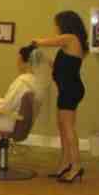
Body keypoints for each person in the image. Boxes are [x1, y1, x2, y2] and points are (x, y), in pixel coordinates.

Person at [32, 10, 88, 183]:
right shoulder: (69, 43)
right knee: (63, 127)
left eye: (57, 24)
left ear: (65, 24)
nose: (56, 28)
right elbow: (59, 67)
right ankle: (65, 164)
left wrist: (35, 43)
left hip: (70, 90)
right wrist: (44, 59)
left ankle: (76, 166)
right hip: (67, 90)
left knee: (68, 127)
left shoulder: (71, 38)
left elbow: (45, 42)